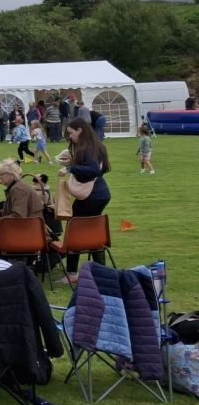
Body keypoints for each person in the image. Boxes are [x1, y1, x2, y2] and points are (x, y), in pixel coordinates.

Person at [60, 116, 111, 283]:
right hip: (101, 193)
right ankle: (100, 270)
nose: (70, 137)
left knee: (74, 229)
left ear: (80, 130)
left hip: (91, 195)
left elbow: (93, 170)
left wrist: (70, 168)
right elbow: (101, 170)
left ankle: (73, 273)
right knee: (93, 230)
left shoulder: (87, 147)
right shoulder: (95, 145)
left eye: (71, 133)